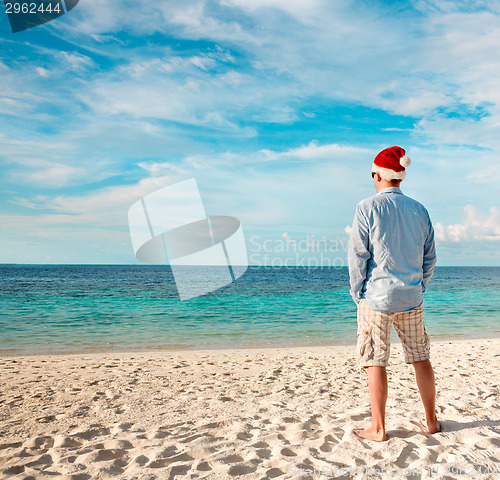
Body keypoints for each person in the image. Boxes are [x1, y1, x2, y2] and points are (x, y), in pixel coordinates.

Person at [348, 146, 439, 442]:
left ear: (378, 175)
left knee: (375, 360)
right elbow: (430, 257)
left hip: (377, 297)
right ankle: (431, 421)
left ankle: (378, 428)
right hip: (411, 297)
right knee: (420, 357)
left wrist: (357, 292)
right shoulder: (419, 209)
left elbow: (358, 257)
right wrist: (419, 285)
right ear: (399, 178)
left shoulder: (366, 207)